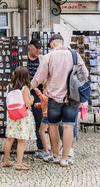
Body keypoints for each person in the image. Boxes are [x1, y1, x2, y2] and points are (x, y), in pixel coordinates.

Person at [31, 34, 88, 168]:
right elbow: (85, 74)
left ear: (52, 44)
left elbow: (39, 77)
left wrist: (28, 87)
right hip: (73, 97)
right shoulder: (75, 55)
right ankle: (65, 158)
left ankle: (55, 155)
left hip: (54, 97)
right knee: (69, 126)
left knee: (53, 125)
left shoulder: (48, 57)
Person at [2, 67, 36, 171]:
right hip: (22, 116)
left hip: (12, 115)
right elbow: (27, 103)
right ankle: (19, 164)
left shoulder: (10, 87)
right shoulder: (25, 88)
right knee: (21, 140)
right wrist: (32, 99)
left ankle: (6, 161)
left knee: (10, 138)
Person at [26, 39, 46, 157]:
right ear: (30, 47)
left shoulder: (42, 59)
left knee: (39, 119)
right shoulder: (24, 59)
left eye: (40, 48)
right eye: (36, 47)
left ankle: (41, 145)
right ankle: (16, 143)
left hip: (38, 91)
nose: (38, 50)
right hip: (25, 91)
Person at [33, 86, 50, 159]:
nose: (43, 91)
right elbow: (45, 104)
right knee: (50, 132)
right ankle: (50, 149)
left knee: (41, 132)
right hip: (49, 115)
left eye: (44, 89)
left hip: (46, 116)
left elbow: (44, 100)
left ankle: (46, 151)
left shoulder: (47, 95)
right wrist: (39, 105)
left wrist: (36, 90)